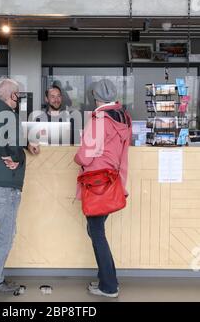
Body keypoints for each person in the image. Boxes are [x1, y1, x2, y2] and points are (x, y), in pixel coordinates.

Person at [0, 78, 39, 294]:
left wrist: (24, 143)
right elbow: (12, 146)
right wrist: (20, 157)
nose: (19, 98)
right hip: (4, 183)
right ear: (11, 95)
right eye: (18, 94)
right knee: (6, 233)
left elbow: (3, 138)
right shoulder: (9, 115)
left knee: (6, 231)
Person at [74, 79, 132, 298]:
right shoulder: (124, 117)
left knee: (96, 232)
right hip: (114, 181)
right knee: (95, 230)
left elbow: (86, 154)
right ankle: (106, 277)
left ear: (95, 96)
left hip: (97, 183)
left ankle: (109, 286)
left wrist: (76, 157)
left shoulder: (100, 118)